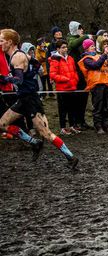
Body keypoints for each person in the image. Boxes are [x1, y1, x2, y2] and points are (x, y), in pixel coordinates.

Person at [0, 29, 78, 169]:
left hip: (31, 100)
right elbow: (35, 65)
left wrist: (3, 78)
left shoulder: (17, 57)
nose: (0, 44)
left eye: (1, 41)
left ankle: (70, 157)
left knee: (46, 134)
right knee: (2, 124)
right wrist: (31, 70)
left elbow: (17, 80)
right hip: (23, 99)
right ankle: (34, 143)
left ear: (9, 42)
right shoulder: (19, 56)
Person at [78, 39, 108, 133]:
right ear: (86, 49)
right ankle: (98, 126)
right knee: (98, 106)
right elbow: (96, 65)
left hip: (106, 83)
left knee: (106, 106)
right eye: (91, 46)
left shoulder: (99, 56)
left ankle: (106, 124)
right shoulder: (86, 59)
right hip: (96, 84)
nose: (93, 47)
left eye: (93, 45)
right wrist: (104, 55)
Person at [49, 39, 79, 135]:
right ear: (58, 49)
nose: (65, 49)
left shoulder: (70, 58)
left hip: (72, 87)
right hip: (62, 89)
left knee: (72, 108)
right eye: (63, 47)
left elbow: (74, 70)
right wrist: (65, 79)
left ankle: (71, 126)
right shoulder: (55, 59)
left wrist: (75, 79)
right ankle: (62, 128)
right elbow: (53, 74)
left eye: (66, 47)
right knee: (63, 109)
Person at [67, 21, 93, 131]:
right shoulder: (70, 39)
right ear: (74, 29)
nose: (82, 30)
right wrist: (86, 36)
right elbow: (73, 44)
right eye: (79, 28)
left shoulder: (80, 40)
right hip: (75, 73)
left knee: (84, 98)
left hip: (83, 73)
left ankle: (82, 121)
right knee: (76, 99)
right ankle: (76, 122)